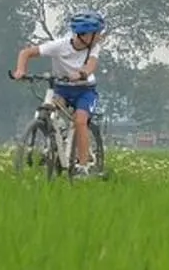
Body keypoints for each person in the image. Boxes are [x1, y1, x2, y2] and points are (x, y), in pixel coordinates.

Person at [11, 10, 106, 177]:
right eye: (96, 33)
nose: (99, 36)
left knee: (80, 121)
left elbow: (91, 66)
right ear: (84, 35)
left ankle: (82, 166)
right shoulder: (59, 46)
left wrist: (81, 74)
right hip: (62, 88)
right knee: (49, 109)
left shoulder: (94, 47)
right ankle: (54, 142)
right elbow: (26, 53)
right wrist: (20, 70)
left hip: (85, 91)